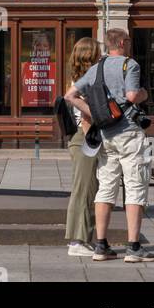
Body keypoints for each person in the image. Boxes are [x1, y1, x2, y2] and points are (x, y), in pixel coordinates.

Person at [64, 26, 154, 263]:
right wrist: (145, 94)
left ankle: (101, 245)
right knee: (135, 186)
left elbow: (69, 95)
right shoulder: (130, 64)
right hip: (128, 133)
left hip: (106, 135)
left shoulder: (97, 67)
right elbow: (133, 96)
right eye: (128, 41)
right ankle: (134, 247)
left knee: (106, 187)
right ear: (123, 43)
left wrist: (94, 112)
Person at [63, 37, 102, 256]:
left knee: (89, 189)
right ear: (90, 55)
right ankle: (77, 242)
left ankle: (83, 239)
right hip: (85, 138)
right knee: (84, 190)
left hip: (83, 138)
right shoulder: (85, 80)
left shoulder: (80, 78)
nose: (101, 56)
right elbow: (85, 113)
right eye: (98, 52)